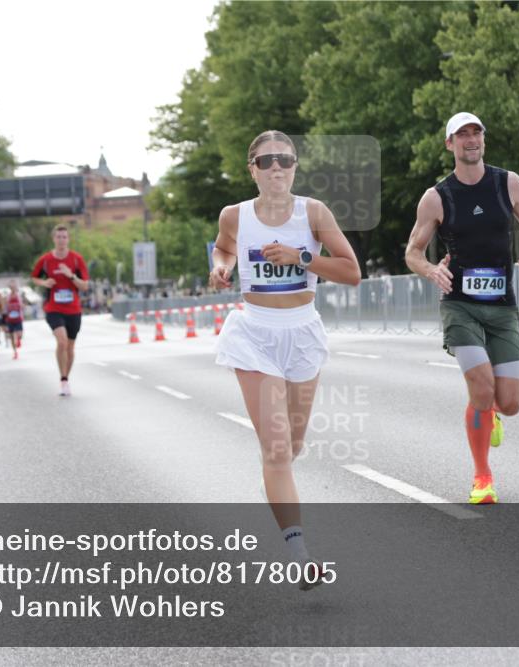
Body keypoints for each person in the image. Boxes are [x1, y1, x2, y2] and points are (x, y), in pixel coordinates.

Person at [209, 130, 360, 589]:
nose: (277, 167)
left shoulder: (313, 213)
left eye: (285, 160)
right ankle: (300, 555)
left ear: (295, 167)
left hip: (302, 333)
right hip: (254, 334)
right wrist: (221, 266)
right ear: (252, 169)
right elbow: (224, 246)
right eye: (267, 160)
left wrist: (301, 257)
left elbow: (351, 271)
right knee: (276, 450)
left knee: (291, 446)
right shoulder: (234, 215)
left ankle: (275, 484)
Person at [405, 112, 519, 505]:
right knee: (481, 389)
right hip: (460, 305)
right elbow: (412, 252)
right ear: (450, 144)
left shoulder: (507, 183)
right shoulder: (437, 197)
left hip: (501, 304)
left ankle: (492, 411)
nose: (471, 140)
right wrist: (432, 270)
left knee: (510, 403)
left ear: (483, 139)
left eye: (476, 133)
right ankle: (482, 477)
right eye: (462, 134)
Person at [31, 224, 89, 396]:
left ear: (68, 239)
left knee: (70, 347)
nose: (62, 240)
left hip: (73, 309)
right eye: (59, 237)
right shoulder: (46, 260)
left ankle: (66, 378)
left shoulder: (77, 259)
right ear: (53, 239)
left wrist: (71, 275)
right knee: (62, 342)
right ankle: (63, 380)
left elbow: (85, 286)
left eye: (64, 237)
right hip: (53, 307)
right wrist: (44, 282)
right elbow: (34, 277)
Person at [4, 280, 25, 359]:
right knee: (12, 337)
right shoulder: (7, 297)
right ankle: (15, 352)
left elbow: (23, 306)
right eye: (11, 287)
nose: (12, 288)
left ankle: (18, 340)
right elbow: (5, 307)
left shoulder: (19, 296)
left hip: (18, 318)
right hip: (10, 319)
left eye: (14, 286)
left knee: (20, 335)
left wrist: (21, 306)